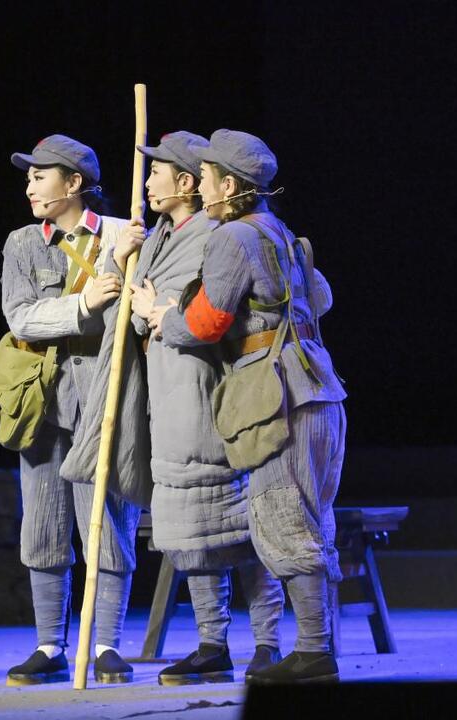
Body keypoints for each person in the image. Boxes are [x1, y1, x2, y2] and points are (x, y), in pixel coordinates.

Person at [147, 129, 347, 684]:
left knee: (283, 516)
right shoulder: (282, 234)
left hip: (277, 394)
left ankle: (313, 653)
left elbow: (206, 323)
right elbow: (323, 297)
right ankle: (317, 647)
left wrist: (163, 317)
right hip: (320, 386)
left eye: (207, 177)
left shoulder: (232, 237)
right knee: (312, 520)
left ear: (229, 186)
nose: (202, 186)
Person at [121, 132, 285, 685]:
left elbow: (206, 314)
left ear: (189, 181)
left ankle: (268, 642)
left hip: (211, 391)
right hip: (168, 392)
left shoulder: (220, 235)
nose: (148, 181)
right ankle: (212, 643)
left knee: (241, 528)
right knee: (193, 530)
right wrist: (132, 276)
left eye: (157, 172)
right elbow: (141, 309)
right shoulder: (158, 238)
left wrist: (163, 311)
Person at [0, 134, 144, 686]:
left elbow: (137, 314)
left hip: (103, 396)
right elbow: (21, 317)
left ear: (74, 182)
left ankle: (105, 644)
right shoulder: (22, 243)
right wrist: (84, 303)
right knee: (42, 522)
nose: (30, 186)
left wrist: (126, 261)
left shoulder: (121, 235)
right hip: (42, 400)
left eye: (41, 176)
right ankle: (49, 645)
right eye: (29, 177)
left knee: (106, 519)